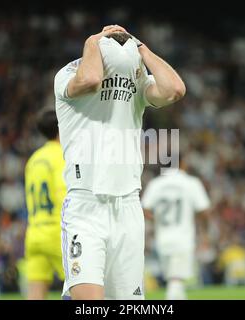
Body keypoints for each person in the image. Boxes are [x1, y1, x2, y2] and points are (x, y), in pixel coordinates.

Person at [54, 25, 185, 300]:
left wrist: (142, 49)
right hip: (86, 206)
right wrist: (93, 41)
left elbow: (174, 89)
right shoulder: (67, 75)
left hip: (128, 206)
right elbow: (90, 80)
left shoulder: (136, 81)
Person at [142, 158, 210, 299]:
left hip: (162, 239)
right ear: (182, 163)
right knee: (176, 280)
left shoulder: (156, 184)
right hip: (183, 238)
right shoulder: (191, 183)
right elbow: (204, 211)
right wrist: (204, 233)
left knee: (173, 279)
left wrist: (158, 220)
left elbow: (144, 209)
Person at [24, 108, 66, 299]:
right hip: (56, 231)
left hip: (34, 231)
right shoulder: (61, 156)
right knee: (80, 285)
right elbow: (62, 194)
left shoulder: (33, 159)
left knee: (35, 293)